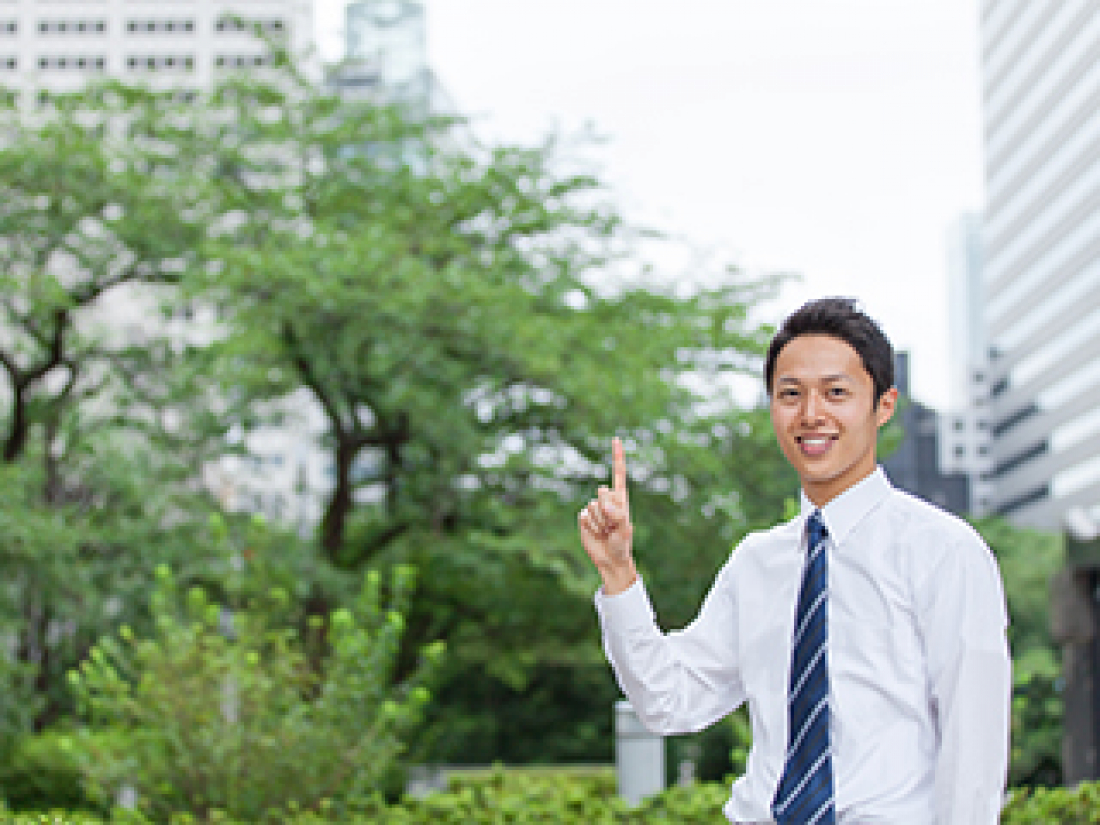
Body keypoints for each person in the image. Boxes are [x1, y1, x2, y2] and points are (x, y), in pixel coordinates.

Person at [578, 297, 1011, 824]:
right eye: (790, 394)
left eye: (836, 392)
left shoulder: (945, 552)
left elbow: (974, 749)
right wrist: (619, 575)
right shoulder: (757, 562)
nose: (811, 414)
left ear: (883, 405)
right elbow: (670, 700)